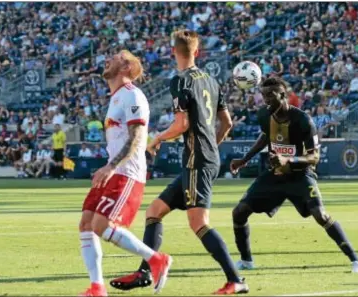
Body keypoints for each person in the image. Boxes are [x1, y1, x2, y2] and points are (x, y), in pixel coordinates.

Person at [110, 30, 248, 295]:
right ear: (197, 52)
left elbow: (181, 124)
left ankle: (236, 280)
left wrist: (157, 138)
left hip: (198, 159)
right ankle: (145, 272)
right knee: (155, 210)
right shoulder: (211, 80)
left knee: (199, 223)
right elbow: (227, 123)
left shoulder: (181, 81)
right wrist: (211, 147)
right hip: (203, 158)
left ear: (174, 51)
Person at [229, 77, 358, 274]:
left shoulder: (303, 120)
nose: (266, 100)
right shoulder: (264, 115)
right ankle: (246, 260)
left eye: (271, 95)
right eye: (263, 95)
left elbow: (315, 156)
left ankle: (356, 260)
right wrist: (244, 159)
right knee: (239, 211)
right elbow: (265, 136)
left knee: (320, 215)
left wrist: (288, 160)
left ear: (283, 95)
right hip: (275, 175)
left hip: (301, 175)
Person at [78, 50, 171, 297]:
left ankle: (156, 259)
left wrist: (111, 166)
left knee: (102, 224)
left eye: (116, 57)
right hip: (114, 169)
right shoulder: (116, 97)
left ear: (126, 67)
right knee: (87, 223)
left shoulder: (132, 95)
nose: (107, 58)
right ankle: (97, 287)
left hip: (127, 171)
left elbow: (137, 136)